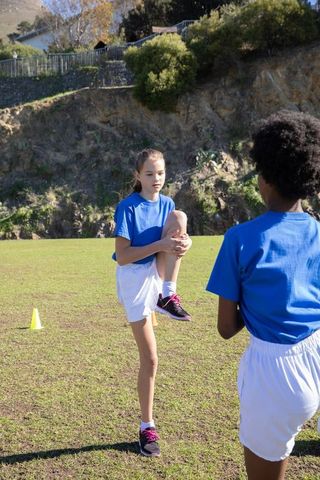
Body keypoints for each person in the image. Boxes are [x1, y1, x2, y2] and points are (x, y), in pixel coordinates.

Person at [206, 110, 320, 480]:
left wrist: (254, 308)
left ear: (264, 178)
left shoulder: (240, 239)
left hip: (274, 372)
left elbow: (226, 327)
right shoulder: (317, 232)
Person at [113, 148, 192, 457]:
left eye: (160, 173)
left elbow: (173, 242)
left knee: (180, 217)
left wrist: (182, 243)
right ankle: (147, 426)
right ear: (138, 176)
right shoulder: (127, 207)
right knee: (151, 358)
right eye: (149, 174)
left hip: (157, 274)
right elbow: (122, 257)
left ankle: (167, 294)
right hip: (133, 278)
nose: (156, 179)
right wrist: (163, 244)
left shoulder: (167, 203)